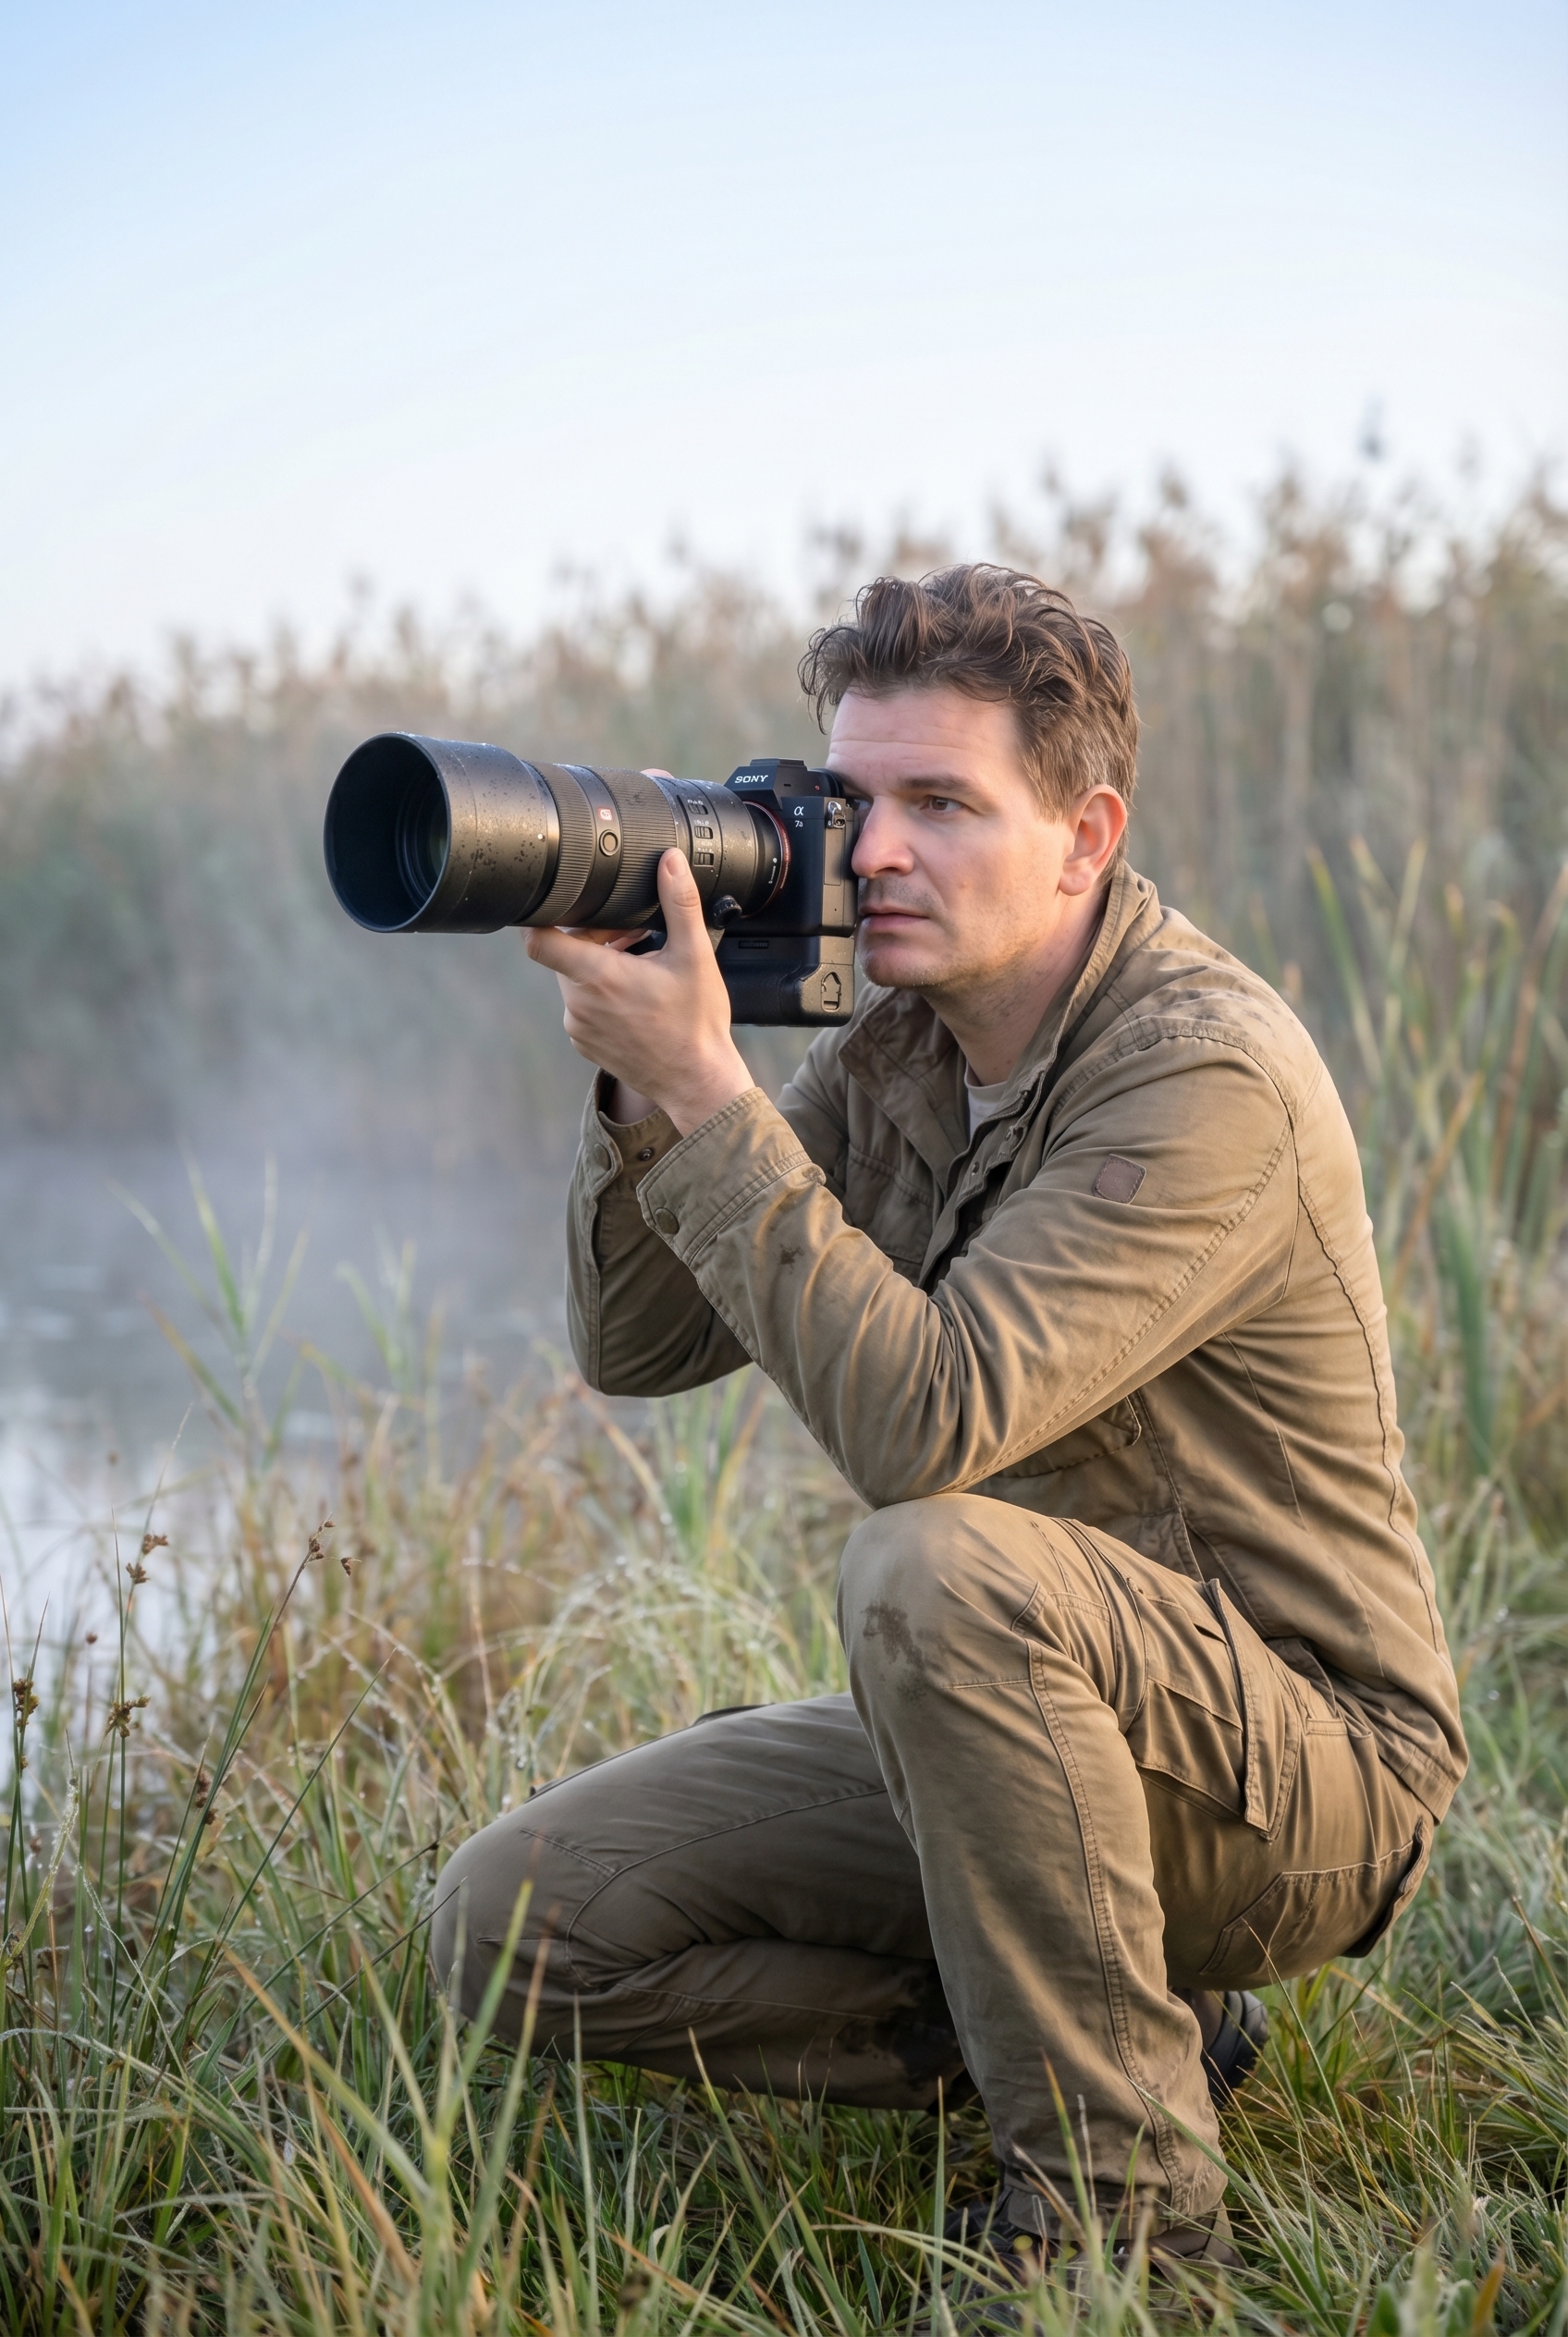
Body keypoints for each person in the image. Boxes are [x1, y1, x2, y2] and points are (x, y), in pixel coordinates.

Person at [430, 566, 1465, 2270]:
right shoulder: (901, 1044)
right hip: (1026, 1729)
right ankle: (1130, 2044)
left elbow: (930, 1432)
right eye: (850, 802)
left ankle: (1126, 2231)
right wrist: (645, 1082)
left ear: (1084, 834)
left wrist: (712, 1095)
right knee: (511, 1931)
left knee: (932, 1563)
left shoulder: (1203, 1072)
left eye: (939, 803)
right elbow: (635, 1345)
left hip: (1303, 1771)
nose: (876, 849)